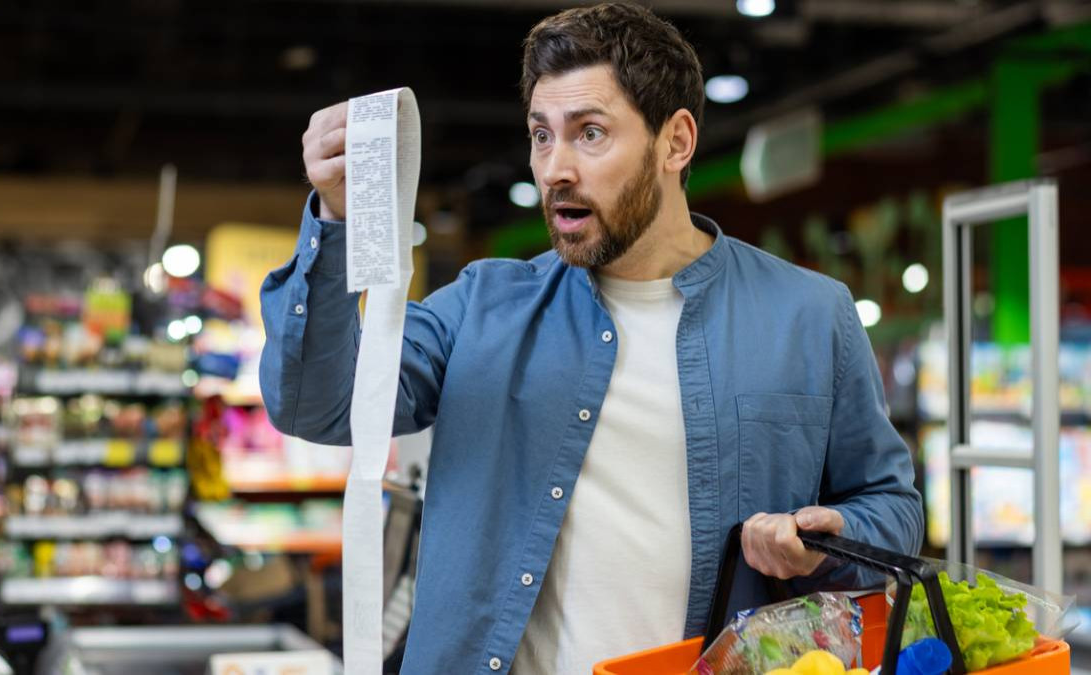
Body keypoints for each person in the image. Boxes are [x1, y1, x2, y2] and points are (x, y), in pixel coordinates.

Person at [261, 3, 923, 673]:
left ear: (676, 142)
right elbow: (318, 403)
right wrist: (335, 218)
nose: (555, 169)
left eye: (591, 133)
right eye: (542, 135)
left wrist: (830, 539)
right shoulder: (480, 305)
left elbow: (891, 505)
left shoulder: (808, 315)